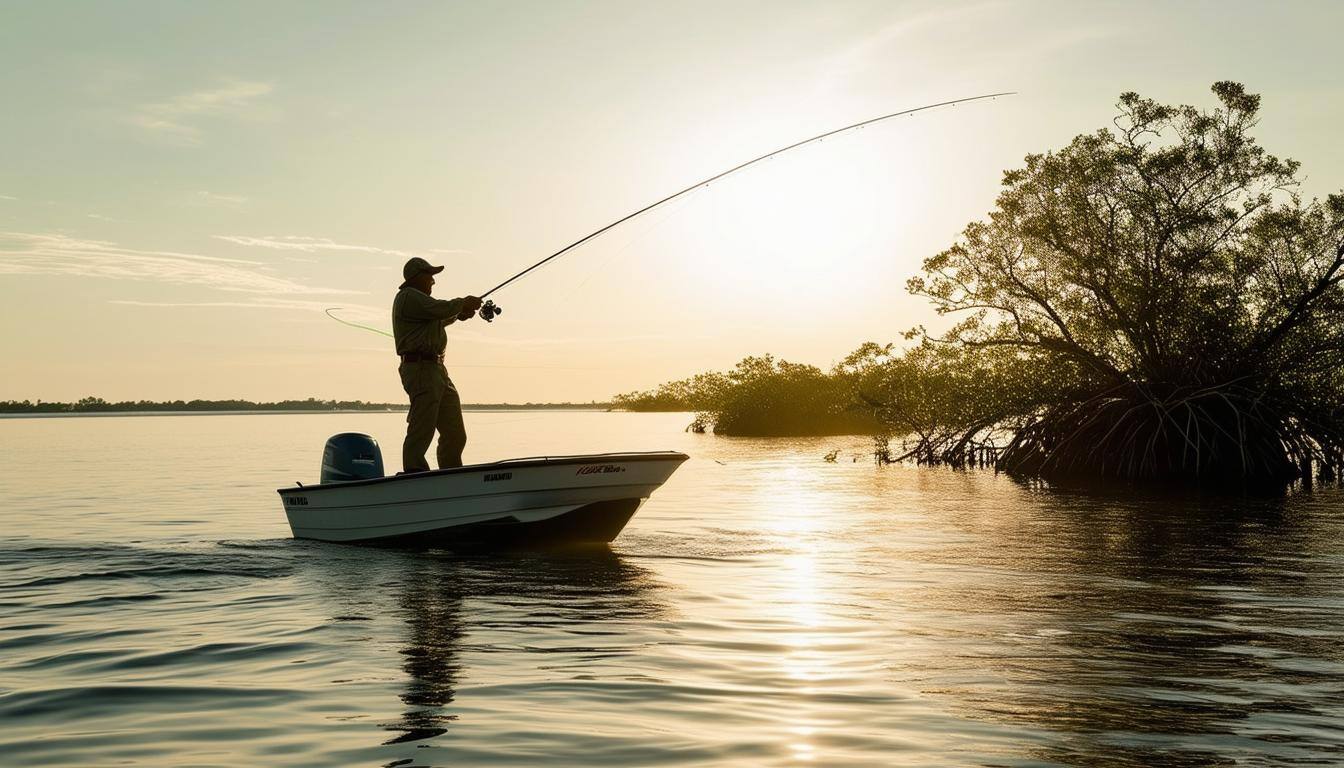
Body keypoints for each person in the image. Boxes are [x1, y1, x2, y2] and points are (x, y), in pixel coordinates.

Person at [392, 257, 483, 473]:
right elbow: (438, 308)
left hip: (438, 370)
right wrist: (462, 303)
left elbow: (438, 318)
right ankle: (414, 475)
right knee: (422, 428)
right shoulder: (409, 297)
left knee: (455, 432)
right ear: (417, 277)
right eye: (430, 276)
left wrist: (458, 315)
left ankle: (450, 475)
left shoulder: (420, 304)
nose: (433, 281)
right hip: (420, 369)